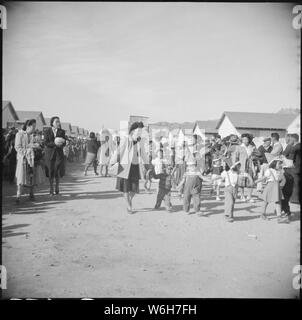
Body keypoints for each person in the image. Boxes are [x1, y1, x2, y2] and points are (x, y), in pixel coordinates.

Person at [110, 121, 149, 214]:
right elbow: (119, 151)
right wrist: (112, 161)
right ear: (132, 131)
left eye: (141, 132)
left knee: (134, 189)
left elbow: (143, 153)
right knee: (126, 188)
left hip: (135, 167)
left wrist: (147, 163)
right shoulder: (126, 139)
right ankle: (129, 206)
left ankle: (129, 200)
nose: (140, 133)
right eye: (138, 131)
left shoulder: (140, 141)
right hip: (125, 167)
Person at [255, 154, 286, 223]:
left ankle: (279, 217)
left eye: (281, 164)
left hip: (277, 187)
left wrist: (281, 185)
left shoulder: (280, 171)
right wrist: (256, 181)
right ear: (274, 164)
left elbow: (283, 179)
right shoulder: (270, 170)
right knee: (266, 201)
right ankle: (263, 214)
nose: (280, 165)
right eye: (279, 164)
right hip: (270, 186)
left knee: (278, 201)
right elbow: (264, 177)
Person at [14, 119, 38, 203]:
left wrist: (35, 148)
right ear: (28, 126)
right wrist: (27, 152)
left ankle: (31, 194)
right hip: (22, 159)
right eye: (33, 126)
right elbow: (17, 147)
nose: (34, 129)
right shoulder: (19, 134)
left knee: (31, 176)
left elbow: (35, 145)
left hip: (31, 160)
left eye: (35, 127)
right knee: (21, 177)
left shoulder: (32, 136)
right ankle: (18, 196)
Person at [44, 116, 66, 196]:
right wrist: (55, 143)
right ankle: (51, 189)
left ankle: (57, 186)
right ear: (52, 123)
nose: (58, 123)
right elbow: (46, 142)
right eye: (56, 121)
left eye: (59, 121)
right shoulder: (47, 131)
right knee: (50, 171)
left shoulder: (62, 131)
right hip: (49, 154)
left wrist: (62, 142)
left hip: (58, 154)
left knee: (57, 169)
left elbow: (64, 142)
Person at [217, 158, 241, 223]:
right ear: (234, 167)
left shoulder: (238, 173)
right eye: (238, 166)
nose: (239, 168)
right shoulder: (226, 173)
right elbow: (221, 178)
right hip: (228, 189)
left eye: (239, 166)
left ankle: (230, 214)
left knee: (232, 202)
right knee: (230, 202)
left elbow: (243, 177)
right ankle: (228, 216)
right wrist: (219, 182)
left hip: (235, 189)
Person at [236, 133, 256, 203]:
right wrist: (237, 167)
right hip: (242, 166)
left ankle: (249, 196)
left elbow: (254, 157)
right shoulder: (239, 147)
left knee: (251, 181)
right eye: (243, 139)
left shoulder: (252, 147)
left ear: (249, 140)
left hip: (250, 165)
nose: (244, 140)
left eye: (246, 139)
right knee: (241, 182)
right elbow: (236, 158)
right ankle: (242, 196)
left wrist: (254, 168)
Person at [281, 134, 295, 217]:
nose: (285, 140)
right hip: (290, 171)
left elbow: (283, 155)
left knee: (285, 192)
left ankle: (286, 210)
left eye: (285, 138)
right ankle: (285, 209)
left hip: (288, 171)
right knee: (286, 192)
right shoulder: (293, 147)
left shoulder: (289, 146)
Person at [290, 133, 300, 204]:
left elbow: (291, 159)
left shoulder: (295, 148)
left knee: (295, 184)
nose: (290, 140)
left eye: (290, 139)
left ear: (293, 139)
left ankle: (294, 199)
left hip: (296, 168)